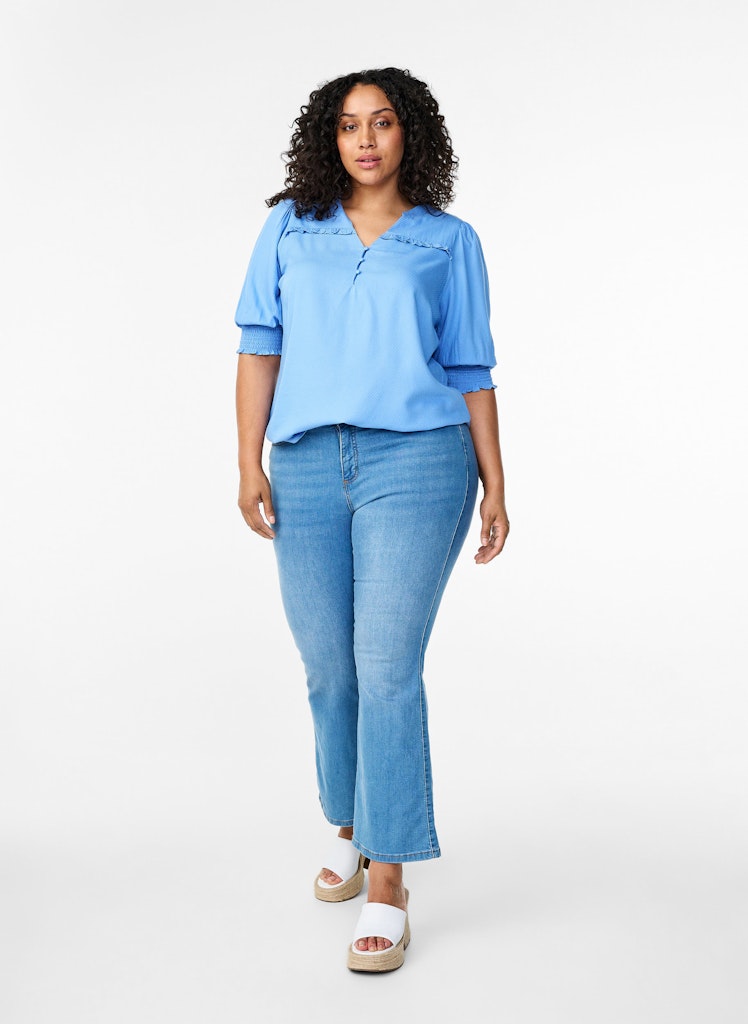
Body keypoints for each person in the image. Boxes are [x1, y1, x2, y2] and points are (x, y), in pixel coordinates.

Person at [234, 67, 509, 972]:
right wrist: (247, 460)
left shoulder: (448, 241)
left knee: (385, 666)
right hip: (306, 463)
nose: (364, 139)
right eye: (349, 124)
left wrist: (495, 482)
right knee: (328, 668)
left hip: (419, 462)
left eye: (382, 122)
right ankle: (352, 824)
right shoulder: (290, 227)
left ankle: (388, 879)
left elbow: (470, 368)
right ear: (329, 137)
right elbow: (259, 344)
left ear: (407, 135)